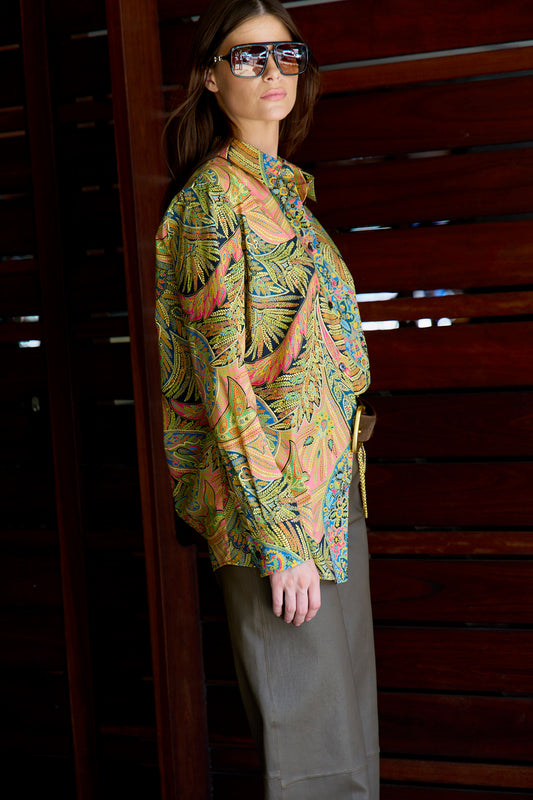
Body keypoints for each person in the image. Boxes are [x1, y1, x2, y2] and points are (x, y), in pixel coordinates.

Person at [155, 0, 379, 796]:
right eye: (247, 57)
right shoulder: (213, 202)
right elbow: (224, 382)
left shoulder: (286, 199)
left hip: (329, 498)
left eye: (286, 54)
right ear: (210, 78)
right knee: (312, 756)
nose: (272, 71)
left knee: (345, 744)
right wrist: (280, 539)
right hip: (273, 510)